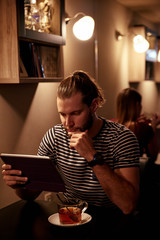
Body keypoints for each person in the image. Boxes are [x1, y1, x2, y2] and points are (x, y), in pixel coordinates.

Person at [2, 71, 140, 237]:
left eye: (75, 113)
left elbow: (128, 205)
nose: (68, 123)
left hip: (111, 221)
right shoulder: (54, 136)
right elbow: (31, 194)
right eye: (62, 114)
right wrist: (19, 186)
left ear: (93, 106)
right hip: (70, 218)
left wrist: (92, 156)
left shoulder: (122, 138)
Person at [116, 87, 160, 163]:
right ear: (137, 105)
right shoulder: (142, 127)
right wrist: (153, 128)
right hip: (134, 172)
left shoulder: (112, 125)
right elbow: (153, 156)